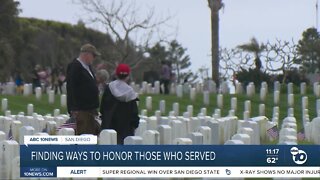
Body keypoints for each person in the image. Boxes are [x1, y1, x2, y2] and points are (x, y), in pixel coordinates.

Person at [100, 64, 140, 144]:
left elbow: (102, 108)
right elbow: (134, 115)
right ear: (128, 76)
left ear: (116, 74)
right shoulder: (130, 93)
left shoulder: (109, 88)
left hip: (109, 127)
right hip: (125, 131)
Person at [66, 43, 101, 135]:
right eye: (93, 56)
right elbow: (71, 87)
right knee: (84, 135)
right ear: (87, 54)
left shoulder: (88, 67)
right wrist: (73, 108)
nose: (94, 58)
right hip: (81, 110)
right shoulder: (75, 66)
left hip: (90, 110)